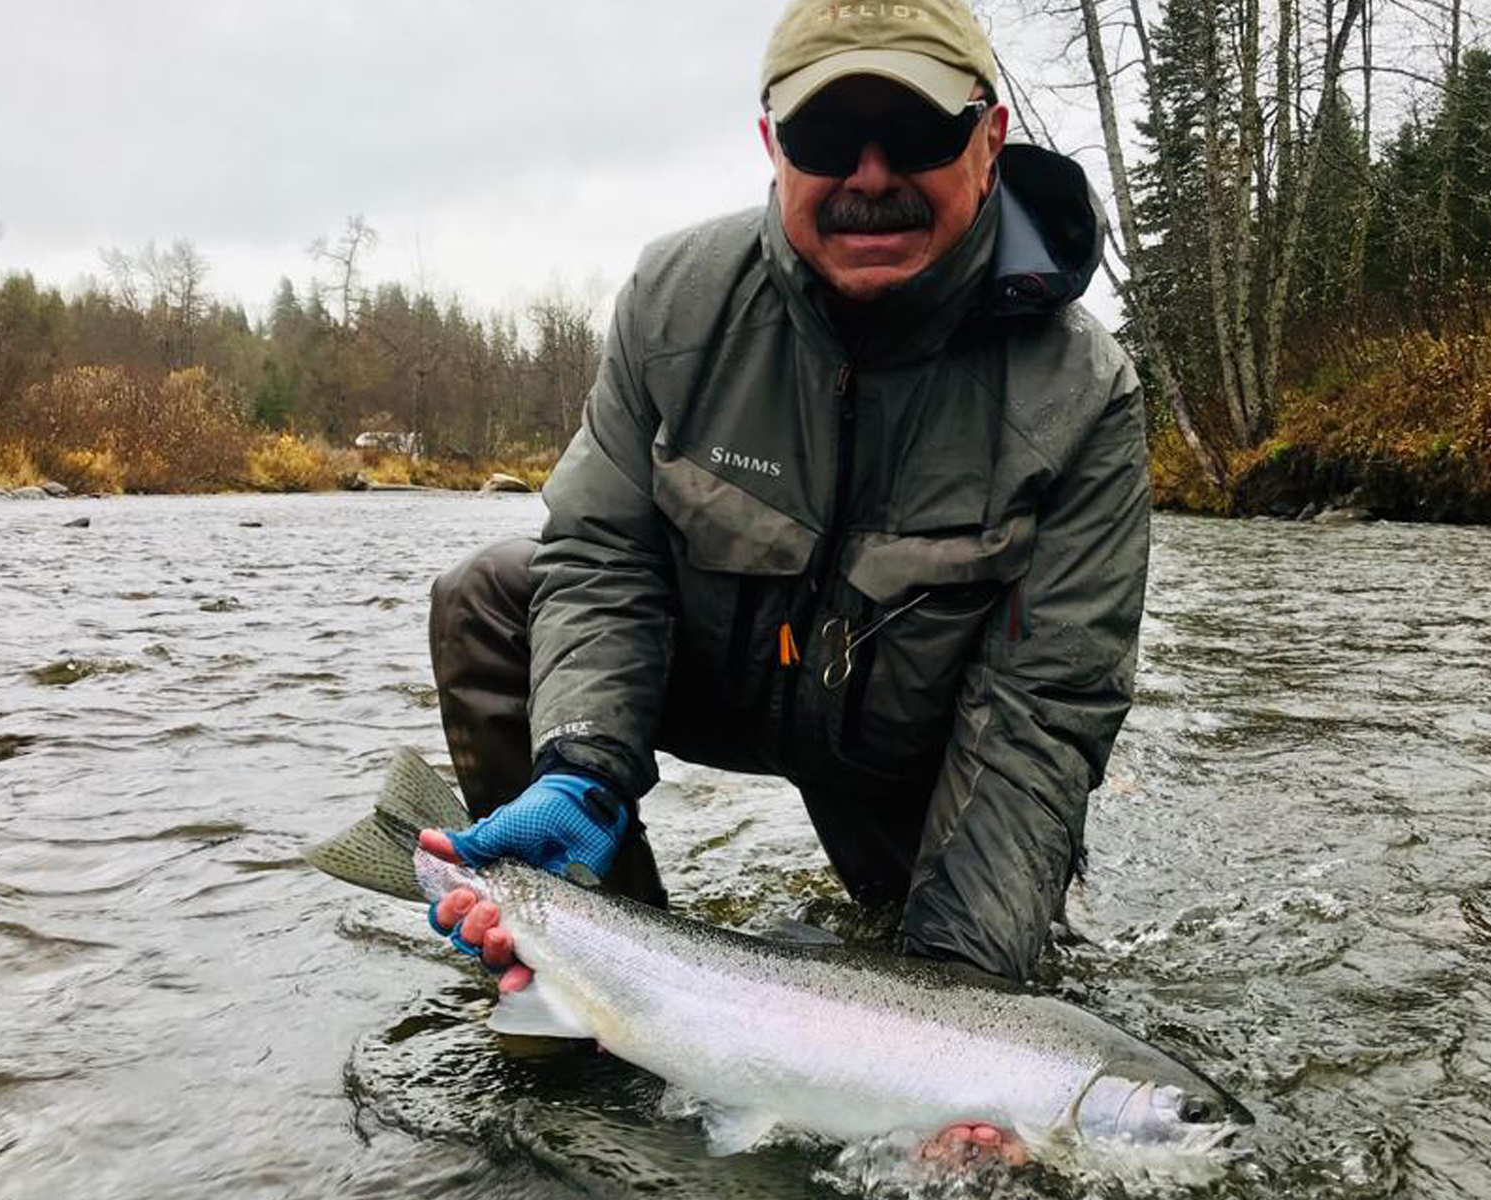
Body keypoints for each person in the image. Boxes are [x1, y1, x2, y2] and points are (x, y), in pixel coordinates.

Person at [419, 0, 1149, 1156]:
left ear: (990, 136)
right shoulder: (677, 307)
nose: (869, 177)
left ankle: (905, 993)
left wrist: (953, 1008)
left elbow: (1047, 709)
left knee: (996, 1046)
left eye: (911, 133)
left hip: (917, 743)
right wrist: (581, 773)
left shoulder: (1081, 395)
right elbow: (601, 557)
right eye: (826, 138)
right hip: (731, 676)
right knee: (492, 596)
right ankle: (596, 982)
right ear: (772, 145)